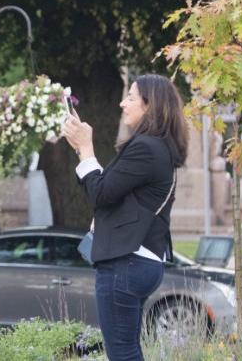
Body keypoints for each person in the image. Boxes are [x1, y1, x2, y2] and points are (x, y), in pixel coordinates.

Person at [59, 75, 188, 361]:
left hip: (127, 261)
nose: (122, 103)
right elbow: (113, 191)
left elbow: (101, 193)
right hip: (140, 260)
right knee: (127, 350)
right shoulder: (158, 147)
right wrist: (82, 149)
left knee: (122, 353)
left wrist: (88, 149)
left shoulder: (146, 147)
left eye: (130, 97)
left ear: (150, 105)